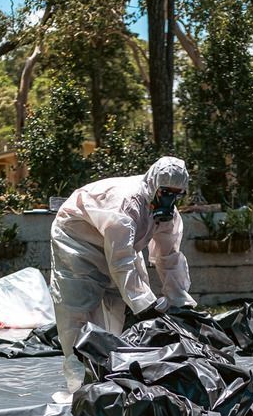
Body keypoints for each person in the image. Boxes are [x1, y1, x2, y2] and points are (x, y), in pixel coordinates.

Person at [50, 156, 196, 391]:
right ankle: (78, 377)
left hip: (118, 243)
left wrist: (179, 300)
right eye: (167, 192)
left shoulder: (166, 214)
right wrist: (145, 304)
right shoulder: (128, 204)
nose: (171, 199)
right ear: (155, 185)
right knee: (77, 303)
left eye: (177, 194)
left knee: (119, 304)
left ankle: (110, 366)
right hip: (78, 238)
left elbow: (169, 257)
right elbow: (121, 261)